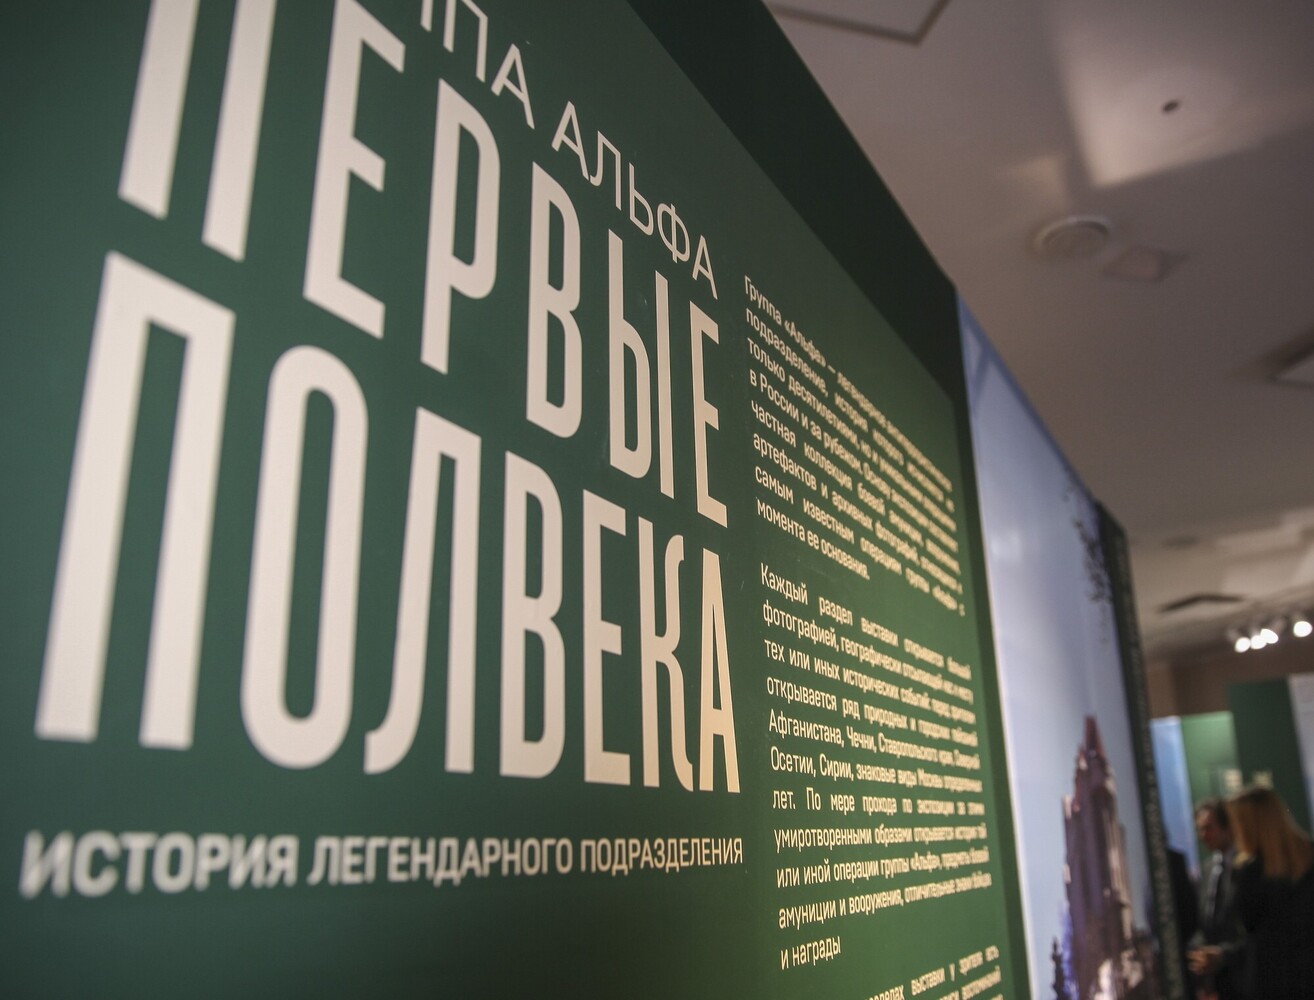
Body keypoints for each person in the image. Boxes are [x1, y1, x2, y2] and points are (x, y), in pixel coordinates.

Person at [1224, 786, 1314, 1000]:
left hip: (1271, 978)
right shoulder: (1309, 853)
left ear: (1248, 825)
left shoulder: (1249, 870)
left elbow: (1247, 924)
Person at [1187, 798, 1243, 1000]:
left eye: (1209, 828)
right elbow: (1205, 923)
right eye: (1200, 830)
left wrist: (1223, 955)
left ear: (1227, 827)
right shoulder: (1207, 870)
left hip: (1245, 980)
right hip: (1217, 985)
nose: (1203, 835)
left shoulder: (1245, 866)